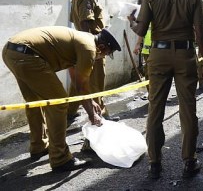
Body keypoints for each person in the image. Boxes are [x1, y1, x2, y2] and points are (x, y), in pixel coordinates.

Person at [2, 26, 121, 172]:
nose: (102, 58)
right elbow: (81, 86)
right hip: (28, 55)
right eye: (105, 55)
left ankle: (38, 145)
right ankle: (60, 159)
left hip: (12, 51)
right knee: (59, 103)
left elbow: (76, 77)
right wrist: (92, 114)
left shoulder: (82, 39)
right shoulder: (89, 49)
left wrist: (91, 101)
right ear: (101, 47)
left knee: (34, 102)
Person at [135, 0, 203, 179]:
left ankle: (154, 163)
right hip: (185, 54)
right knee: (188, 109)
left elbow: (140, 30)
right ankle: (189, 161)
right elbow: (201, 33)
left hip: (158, 55)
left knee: (155, 108)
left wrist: (132, 21)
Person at [68, 0, 117, 121]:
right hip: (93, 44)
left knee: (79, 79)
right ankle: (100, 114)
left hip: (82, 44)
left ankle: (70, 111)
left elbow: (73, 19)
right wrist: (92, 47)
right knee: (96, 81)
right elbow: (85, 23)